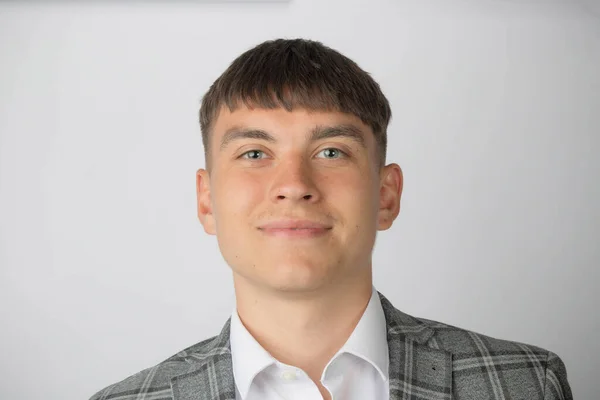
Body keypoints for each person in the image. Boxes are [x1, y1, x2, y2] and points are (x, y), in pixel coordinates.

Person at [89, 38, 573, 400]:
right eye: (255, 152)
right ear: (207, 200)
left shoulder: (529, 382)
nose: (294, 182)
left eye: (331, 151)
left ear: (386, 195)